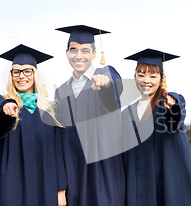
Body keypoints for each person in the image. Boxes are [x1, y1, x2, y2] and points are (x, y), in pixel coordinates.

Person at [123, 49, 191, 206]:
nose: (146, 80)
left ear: (161, 79)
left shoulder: (166, 104)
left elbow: (175, 118)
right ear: (135, 78)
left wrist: (174, 105)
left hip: (164, 187)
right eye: (141, 75)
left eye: (153, 76)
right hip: (135, 190)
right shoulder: (127, 113)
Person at [0, 44, 67, 206]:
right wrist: (6, 108)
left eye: (27, 71)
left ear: (35, 74)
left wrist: (61, 190)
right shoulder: (1, 101)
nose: (21, 76)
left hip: (44, 182)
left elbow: (58, 152)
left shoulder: (51, 110)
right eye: (16, 72)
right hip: (10, 183)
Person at [54, 25, 125, 206]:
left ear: (94, 54)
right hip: (73, 176)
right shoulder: (61, 91)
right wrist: (61, 186)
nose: (79, 56)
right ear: (67, 53)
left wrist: (106, 83)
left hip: (102, 173)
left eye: (85, 50)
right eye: (74, 50)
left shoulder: (105, 74)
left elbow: (114, 86)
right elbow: (58, 139)